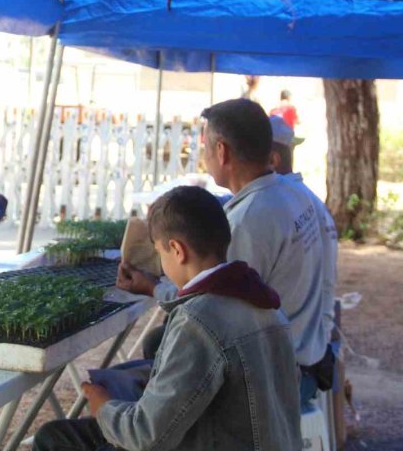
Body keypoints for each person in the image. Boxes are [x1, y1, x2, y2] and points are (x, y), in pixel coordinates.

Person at [34, 186, 301, 451]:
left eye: (160, 252)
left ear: (177, 250)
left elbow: (145, 436)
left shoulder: (199, 323)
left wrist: (103, 406)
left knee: (54, 438)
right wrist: (152, 287)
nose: (161, 263)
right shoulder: (264, 302)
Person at [130, 99, 328, 400]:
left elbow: (206, 306)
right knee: (160, 341)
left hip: (279, 372)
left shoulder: (246, 223)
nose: (204, 156)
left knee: (166, 351)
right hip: (307, 346)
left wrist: (152, 287)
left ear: (221, 151)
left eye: (206, 147)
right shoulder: (294, 192)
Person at [270, 114, 338, 401]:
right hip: (312, 342)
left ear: (271, 159)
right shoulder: (306, 200)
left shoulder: (277, 206)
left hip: (298, 356)